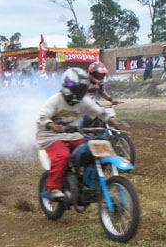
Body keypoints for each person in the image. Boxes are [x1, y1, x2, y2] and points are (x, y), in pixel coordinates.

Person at [36, 68, 126, 200]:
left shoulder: (83, 101)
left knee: (93, 149)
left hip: (73, 135)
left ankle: (90, 183)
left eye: (82, 90)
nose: (80, 94)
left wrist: (114, 123)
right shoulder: (55, 100)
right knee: (62, 155)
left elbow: (100, 112)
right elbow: (42, 117)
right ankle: (53, 188)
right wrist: (52, 125)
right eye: (78, 90)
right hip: (51, 136)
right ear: (68, 88)